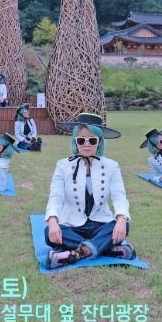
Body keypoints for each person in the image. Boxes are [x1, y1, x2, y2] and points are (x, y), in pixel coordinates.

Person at [44, 113, 134, 269]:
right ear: (75, 141)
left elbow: (119, 196)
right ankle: (105, 249)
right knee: (48, 232)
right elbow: (56, 196)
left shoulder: (112, 166)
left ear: (99, 142)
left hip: (100, 225)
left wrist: (121, 219)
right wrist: (52, 221)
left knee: (124, 226)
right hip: (72, 226)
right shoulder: (63, 165)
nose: (86, 145)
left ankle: (74, 254)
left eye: (92, 140)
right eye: (81, 140)